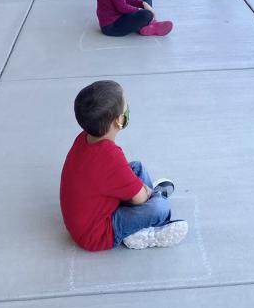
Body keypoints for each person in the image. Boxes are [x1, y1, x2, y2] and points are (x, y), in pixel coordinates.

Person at [60, 80, 188, 251]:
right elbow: (140, 198)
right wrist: (147, 192)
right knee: (160, 207)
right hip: (96, 233)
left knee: (137, 168)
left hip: (87, 214)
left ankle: (145, 203)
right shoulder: (110, 157)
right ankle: (142, 233)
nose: (127, 109)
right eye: (125, 107)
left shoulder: (84, 137)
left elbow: (108, 173)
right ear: (118, 121)